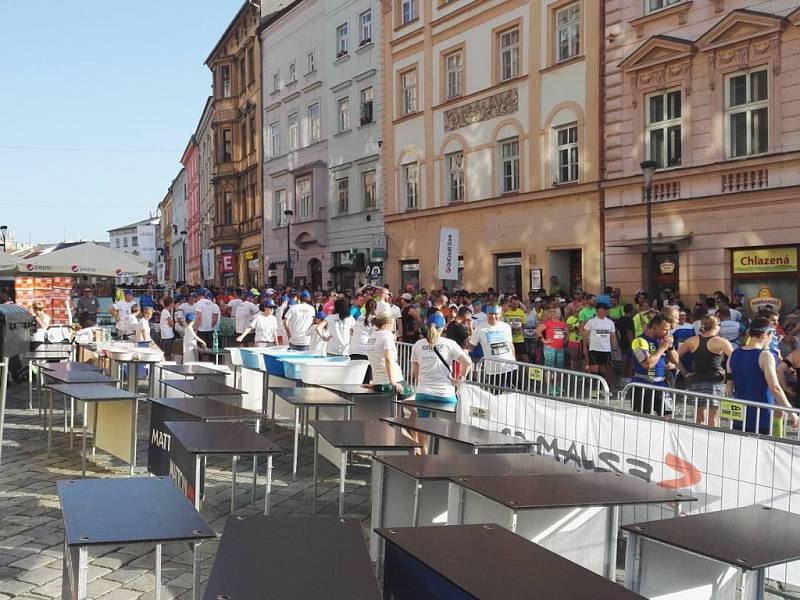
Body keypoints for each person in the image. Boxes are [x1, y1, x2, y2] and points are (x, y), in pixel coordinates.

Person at [728, 317, 798, 436]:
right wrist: (791, 412)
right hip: (761, 415)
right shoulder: (765, 355)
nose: (772, 338)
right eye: (772, 334)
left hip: (739, 413)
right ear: (765, 334)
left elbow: (729, 388)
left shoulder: (734, 353)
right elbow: (775, 388)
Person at [411, 312, 472, 418]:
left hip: (423, 392)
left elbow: (415, 373)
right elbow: (467, 363)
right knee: (446, 429)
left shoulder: (418, 345)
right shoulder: (450, 344)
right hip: (445, 393)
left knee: (422, 427)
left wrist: (422, 381)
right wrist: (459, 380)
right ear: (444, 328)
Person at [678, 315, 734, 426]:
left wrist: (685, 372)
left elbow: (675, 356)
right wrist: (730, 380)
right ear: (716, 326)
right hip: (715, 382)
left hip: (696, 381)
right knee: (713, 419)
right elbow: (735, 359)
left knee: (699, 419)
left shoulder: (691, 341)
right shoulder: (721, 342)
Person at [631, 314, 679, 416]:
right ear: (654, 328)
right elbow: (647, 364)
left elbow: (676, 360)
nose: (667, 333)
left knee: (668, 416)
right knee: (642, 419)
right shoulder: (639, 341)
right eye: (665, 330)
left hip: (661, 385)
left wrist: (670, 347)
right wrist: (661, 348)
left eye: (669, 330)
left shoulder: (663, 340)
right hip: (643, 385)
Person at [468, 303, 516, 384]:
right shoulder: (479, 329)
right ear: (486, 314)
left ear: (500, 314)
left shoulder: (506, 327)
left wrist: (515, 362)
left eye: (495, 314)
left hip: (510, 367)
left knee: (516, 394)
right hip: (493, 370)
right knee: (495, 395)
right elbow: (471, 346)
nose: (493, 316)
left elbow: (511, 345)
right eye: (490, 313)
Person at [367, 313, 408, 396]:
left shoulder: (371, 336)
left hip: (378, 380)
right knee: (411, 404)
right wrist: (392, 381)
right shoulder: (387, 335)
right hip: (392, 379)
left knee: (393, 406)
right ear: (387, 324)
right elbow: (388, 359)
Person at [582, 303, 617, 386]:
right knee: (594, 369)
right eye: (599, 311)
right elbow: (585, 335)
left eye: (603, 311)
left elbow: (613, 336)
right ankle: (594, 389)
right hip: (594, 349)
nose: (601, 313)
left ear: (606, 312)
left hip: (606, 349)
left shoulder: (610, 322)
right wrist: (584, 348)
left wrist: (614, 348)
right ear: (596, 311)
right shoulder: (591, 321)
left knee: (604, 369)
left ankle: (601, 388)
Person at [350, 299, 377, 383]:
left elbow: (352, 330)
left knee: (354, 378)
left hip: (353, 349)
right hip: (365, 351)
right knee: (365, 379)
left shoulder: (360, 317)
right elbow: (375, 336)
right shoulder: (373, 319)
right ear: (375, 308)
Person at [504, 295, 528, 362]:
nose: (515, 305)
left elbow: (524, 324)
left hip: (520, 339)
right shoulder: (506, 312)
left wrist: (520, 328)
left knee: (525, 358)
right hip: (509, 339)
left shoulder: (521, 312)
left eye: (517, 304)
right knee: (513, 358)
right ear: (510, 303)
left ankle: (526, 372)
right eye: (514, 304)